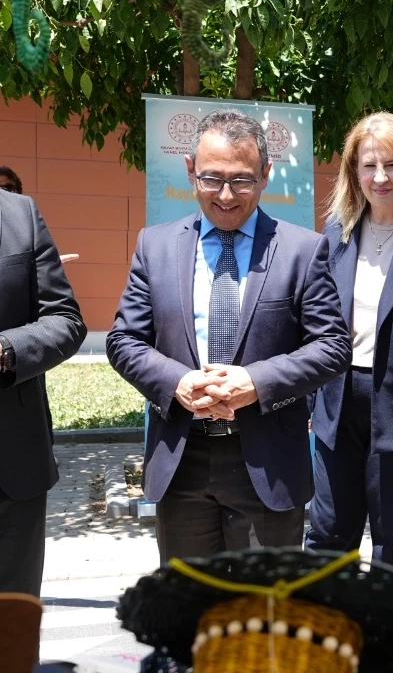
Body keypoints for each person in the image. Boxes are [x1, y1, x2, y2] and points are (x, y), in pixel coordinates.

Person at [107, 109, 352, 562]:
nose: (225, 195)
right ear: (190, 170)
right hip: (181, 459)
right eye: (212, 178)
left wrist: (256, 382)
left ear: (265, 174)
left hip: (268, 461)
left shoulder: (301, 249)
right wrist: (176, 382)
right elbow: (124, 341)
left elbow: (332, 346)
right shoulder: (155, 245)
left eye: (241, 180)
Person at [305, 112, 393, 571]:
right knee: (327, 533)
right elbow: (314, 323)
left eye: (392, 165)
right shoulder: (335, 234)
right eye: (369, 166)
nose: (380, 177)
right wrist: (309, 402)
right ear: (353, 172)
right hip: (337, 401)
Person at [0, 189, 87, 596]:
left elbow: (65, 320)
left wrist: (6, 350)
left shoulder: (19, 214)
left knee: (12, 623)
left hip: (11, 474)